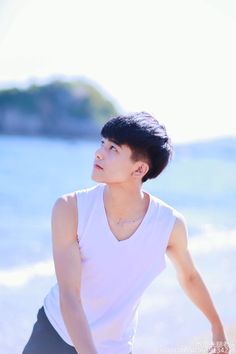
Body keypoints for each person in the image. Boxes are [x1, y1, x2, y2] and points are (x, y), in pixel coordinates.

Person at [22, 111, 229, 354]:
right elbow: (69, 295)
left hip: (114, 346)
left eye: (114, 149)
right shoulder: (70, 209)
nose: (99, 152)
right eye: (102, 143)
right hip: (54, 334)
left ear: (139, 169)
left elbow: (189, 277)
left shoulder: (168, 225)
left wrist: (217, 326)